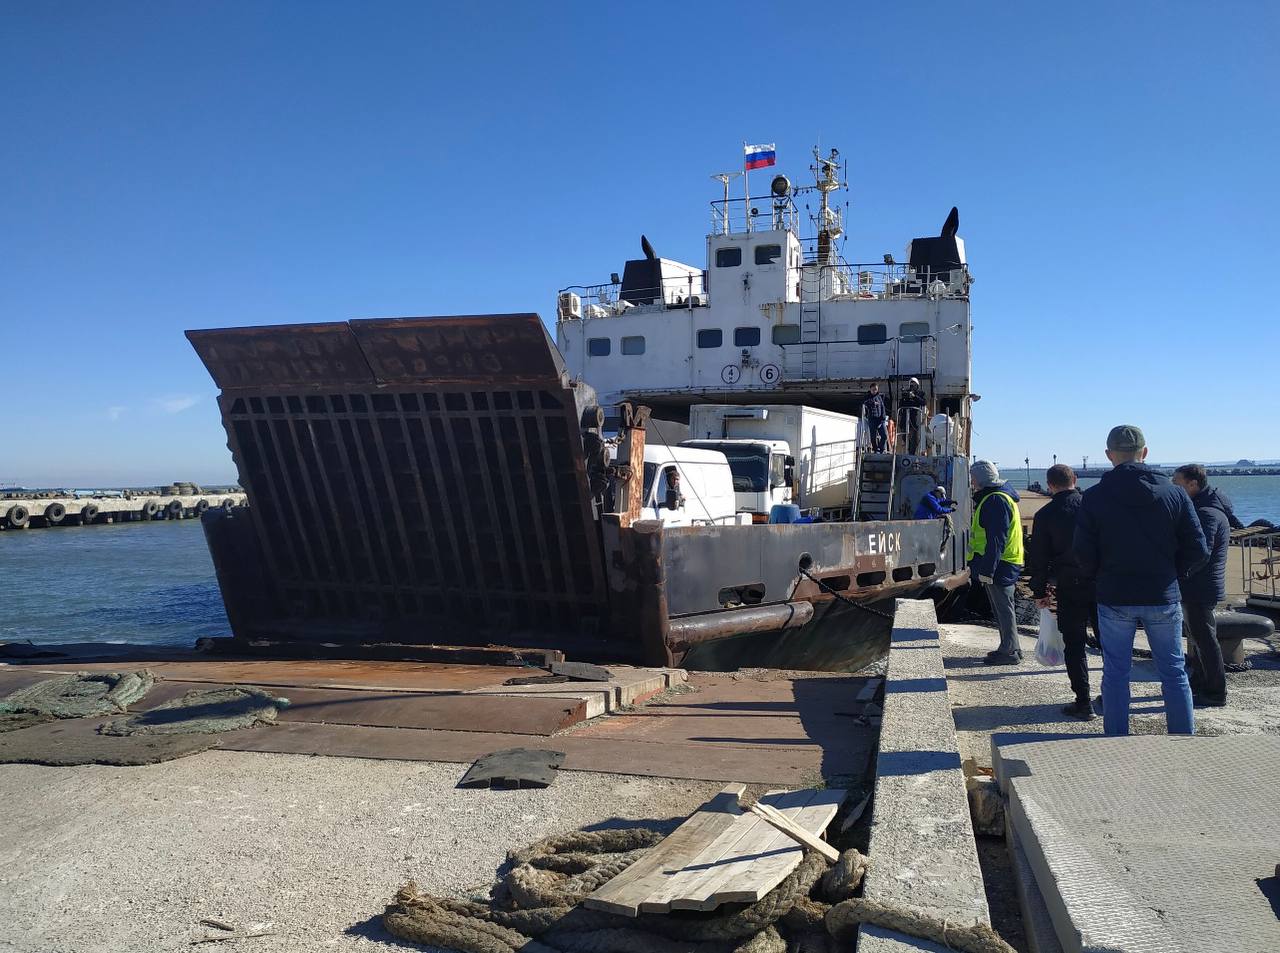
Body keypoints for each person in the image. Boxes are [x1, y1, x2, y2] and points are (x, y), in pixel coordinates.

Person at [1073, 425, 1209, 736]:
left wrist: (1099, 576)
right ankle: (1182, 739)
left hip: (1114, 594)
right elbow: (1198, 549)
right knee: (1173, 671)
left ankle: (1118, 738)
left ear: (1109, 456)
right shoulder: (1175, 494)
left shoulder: (1094, 497)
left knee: (1116, 672)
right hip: (1162, 593)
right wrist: (1174, 574)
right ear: (1145, 453)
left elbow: (1082, 552)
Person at [1027, 464, 1097, 720]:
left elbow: (1039, 558)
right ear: (1075, 480)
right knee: (1110, 643)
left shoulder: (1046, 514)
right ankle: (1112, 695)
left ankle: (1083, 701)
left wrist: (1039, 591)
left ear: (1050, 485)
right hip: (1100, 583)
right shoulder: (1093, 507)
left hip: (1068, 584)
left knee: (1074, 644)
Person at [1171, 464, 1230, 707]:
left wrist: (1179, 573)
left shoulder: (1206, 513)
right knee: (1198, 637)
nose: (1174, 486)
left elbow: (1201, 552)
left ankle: (1216, 691)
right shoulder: (1208, 508)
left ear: (1192, 484)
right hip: (1199, 584)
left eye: (1177, 482)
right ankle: (1201, 680)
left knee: (1205, 639)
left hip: (1200, 586)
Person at [967, 460, 1024, 664]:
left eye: (973, 477)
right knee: (1003, 608)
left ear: (981, 479)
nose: (971, 482)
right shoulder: (1000, 498)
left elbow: (996, 539)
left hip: (999, 565)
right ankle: (1011, 647)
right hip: (1004, 563)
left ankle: (1009, 652)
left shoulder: (994, 501)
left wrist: (987, 571)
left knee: (1003, 609)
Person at [897, 378, 928, 455]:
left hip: (915, 418)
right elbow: (901, 404)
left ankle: (911, 453)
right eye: (911, 383)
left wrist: (914, 396)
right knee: (904, 436)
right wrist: (904, 396)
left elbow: (923, 402)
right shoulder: (906, 392)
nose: (912, 385)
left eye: (914, 383)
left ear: (917, 385)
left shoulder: (920, 393)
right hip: (905, 418)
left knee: (914, 438)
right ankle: (908, 450)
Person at [862, 383, 888, 453]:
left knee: (884, 436)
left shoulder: (879, 397)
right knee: (873, 436)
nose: (874, 391)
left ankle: (881, 448)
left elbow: (883, 408)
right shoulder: (867, 397)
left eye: (876, 389)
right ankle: (875, 449)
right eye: (873, 389)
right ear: (870, 389)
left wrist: (883, 418)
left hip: (880, 419)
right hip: (872, 419)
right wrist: (873, 403)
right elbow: (864, 402)